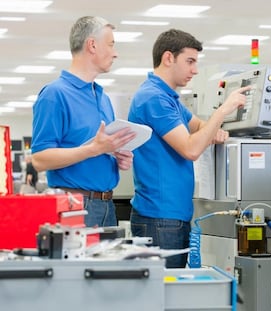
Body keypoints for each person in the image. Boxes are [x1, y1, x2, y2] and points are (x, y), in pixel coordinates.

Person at [128, 29, 250, 268]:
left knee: (174, 294)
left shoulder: (169, 99)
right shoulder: (154, 98)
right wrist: (223, 110)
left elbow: (199, 127)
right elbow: (191, 149)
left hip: (172, 216)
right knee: (163, 298)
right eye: (190, 61)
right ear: (168, 58)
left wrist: (214, 130)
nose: (195, 70)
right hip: (160, 217)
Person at [31, 16, 136, 227]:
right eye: (111, 44)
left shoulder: (102, 98)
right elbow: (40, 159)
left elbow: (97, 148)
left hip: (108, 205)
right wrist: (93, 150)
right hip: (75, 206)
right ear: (92, 45)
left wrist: (116, 156)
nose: (115, 53)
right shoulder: (54, 94)